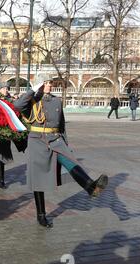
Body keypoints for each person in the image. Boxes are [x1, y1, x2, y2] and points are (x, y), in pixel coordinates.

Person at [14, 75, 108, 229]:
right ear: (40, 85)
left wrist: (66, 143)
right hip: (37, 140)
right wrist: (33, 90)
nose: (50, 85)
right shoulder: (32, 101)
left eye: (50, 82)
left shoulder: (57, 101)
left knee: (70, 161)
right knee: (39, 178)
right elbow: (17, 106)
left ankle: (91, 187)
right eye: (46, 83)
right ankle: (41, 215)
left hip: (56, 138)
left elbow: (62, 125)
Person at [0, 82, 27, 189]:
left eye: (7, 88)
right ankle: (1, 179)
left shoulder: (11, 99)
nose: (6, 90)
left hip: (11, 129)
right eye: (4, 88)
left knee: (21, 147)